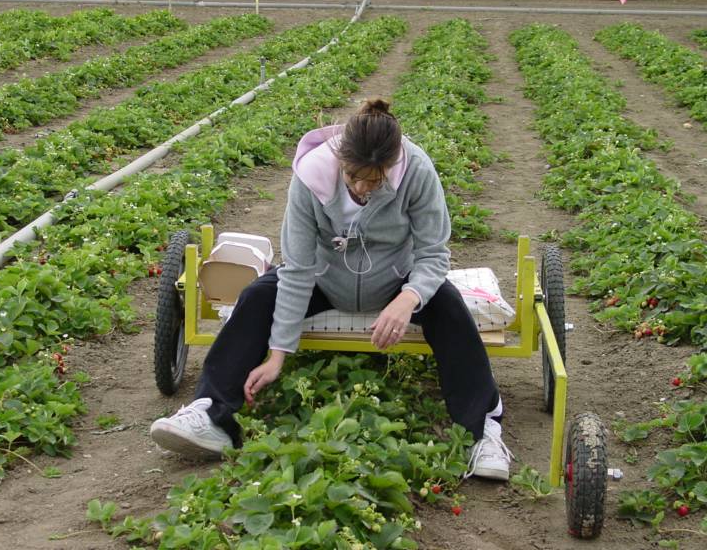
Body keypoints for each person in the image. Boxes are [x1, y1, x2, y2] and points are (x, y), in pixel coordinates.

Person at [150, 99, 512, 480]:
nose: (361, 187)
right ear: (340, 157)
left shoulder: (416, 171)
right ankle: (212, 415)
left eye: (375, 180)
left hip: (395, 279)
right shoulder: (310, 175)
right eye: (353, 175)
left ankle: (481, 433)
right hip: (326, 278)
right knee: (257, 297)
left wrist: (409, 298)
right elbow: (299, 269)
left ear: (392, 165)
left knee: (450, 308)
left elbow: (434, 253)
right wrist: (277, 354)